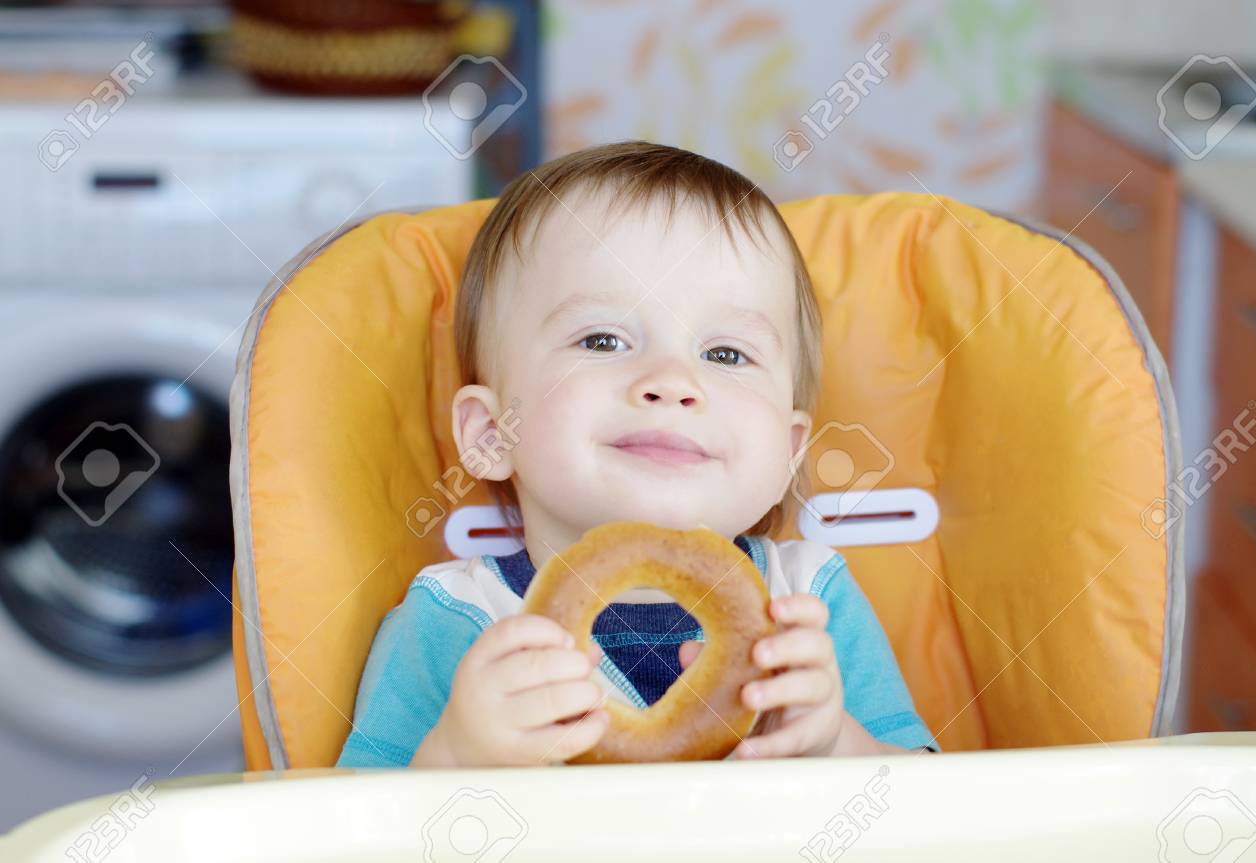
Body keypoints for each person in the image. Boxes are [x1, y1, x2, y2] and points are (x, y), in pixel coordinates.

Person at [336, 141, 936, 769]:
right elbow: (347, 819)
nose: (672, 382)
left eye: (726, 355)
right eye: (603, 340)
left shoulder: (809, 605)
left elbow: (938, 803)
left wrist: (837, 744)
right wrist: (457, 756)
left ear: (788, 452)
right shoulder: (454, 619)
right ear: (491, 432)